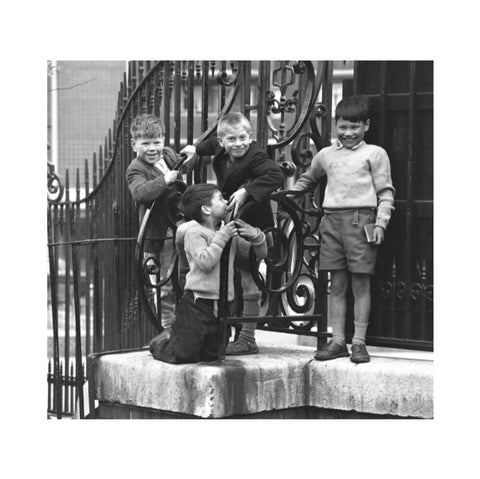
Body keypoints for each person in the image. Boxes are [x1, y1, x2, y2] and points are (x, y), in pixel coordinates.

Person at [290, 96, 395, 363]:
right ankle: (337, 341)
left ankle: (358, 342)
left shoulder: (375, 154)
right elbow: (308, 179)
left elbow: (386, 193)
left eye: (354, 127)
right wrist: (288, 195)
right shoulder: (325, 155)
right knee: (335, 284)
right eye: (343, 127)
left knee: (361, 283)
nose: (348, 133)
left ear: (366, 125)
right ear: (335, 126)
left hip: (362, 223)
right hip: (332, 223)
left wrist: (381, 223)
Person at [180, 112, 284, 355]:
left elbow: (277, 175)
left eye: (243, 138)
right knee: (227, 277)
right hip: (230, 223)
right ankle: (217, 328)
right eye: (232, 139)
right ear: (222, 140)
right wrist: (194, 149)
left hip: (254, 226)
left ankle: (248, 338)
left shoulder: (255, 155)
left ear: (250, 136)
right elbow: (206, 146)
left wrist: (247, 190)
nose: (238, 143)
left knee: (248, 279)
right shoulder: (220, 145)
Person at [149, 183, 267, 364]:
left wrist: (255, 235)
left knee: (212, 354)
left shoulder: (226, 233)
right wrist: (223, 237)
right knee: (182, 354)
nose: (226, 201)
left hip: (223, 307)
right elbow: (205, 262)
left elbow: (260, 255)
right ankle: (161, 341)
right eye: (220, 199)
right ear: (205, 209)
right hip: (198, 304)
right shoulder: (195, 233)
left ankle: (180, 337)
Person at [125, 113, 191, 330]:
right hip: (158, 235)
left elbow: (184, 168)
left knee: (184, 277)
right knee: (163, 285)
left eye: (157, 142)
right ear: (134, 145)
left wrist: (192, 156)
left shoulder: (169, 155)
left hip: (179, 226)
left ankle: (186, 323)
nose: (152, 148)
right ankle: (166, 330)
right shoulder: (136, 168)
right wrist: (165, 180)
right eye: (145, 143)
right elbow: (140, 193)